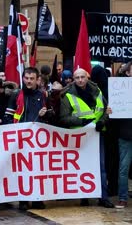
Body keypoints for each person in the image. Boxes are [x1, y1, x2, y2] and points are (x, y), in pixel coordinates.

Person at [58, 68, 114, 208]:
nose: (80, 80)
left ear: (87, 77)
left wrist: (103, 121)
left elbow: (107, 109)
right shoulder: (68, 96)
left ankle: (103, 197)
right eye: (77, 77)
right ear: (73, 79)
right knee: (82, 166)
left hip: (96, 134)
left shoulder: (97, 91)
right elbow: (63, 118)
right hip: (79, 136)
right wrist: (81, 122)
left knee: (100, 166)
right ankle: (84, 196)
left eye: (83, 77)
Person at [3, 67, 51, 210]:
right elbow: (8, 116)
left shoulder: (43, 96)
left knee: (38, 170)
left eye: (32, 79)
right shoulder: (16, 94)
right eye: (26, 78)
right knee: (22, 170)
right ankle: (23, 199)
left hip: (37, 141)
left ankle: (37, 199)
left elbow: (51, 116)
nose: (29, 81)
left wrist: (46, 113)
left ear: (38, 80)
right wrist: (14, 130)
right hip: (20, 140)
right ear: (23, 78)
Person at [113, 61, 132, 209]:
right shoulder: (119, 89)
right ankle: (123, 198)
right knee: (123, 169)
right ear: (127, 73)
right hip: (126, 135)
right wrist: (110, 111)